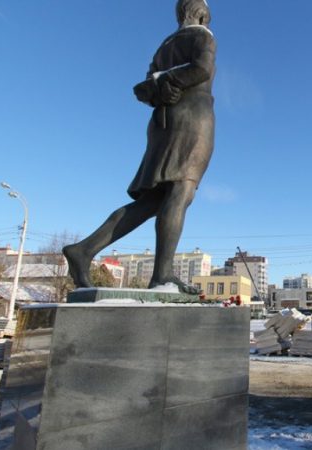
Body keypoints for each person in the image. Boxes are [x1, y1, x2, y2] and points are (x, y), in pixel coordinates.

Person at [63, 0, 216, 293]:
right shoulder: (203, 36)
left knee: (153, 201)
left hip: (162, 124)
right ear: (199, 13)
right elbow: (202, 68)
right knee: (181, 191)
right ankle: (162, 276)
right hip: (193, 122)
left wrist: (161, 84)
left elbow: (143, 88)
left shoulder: (164, 47)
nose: (208, 20)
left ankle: (84, 249)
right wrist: (168, 81)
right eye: (206, 15)